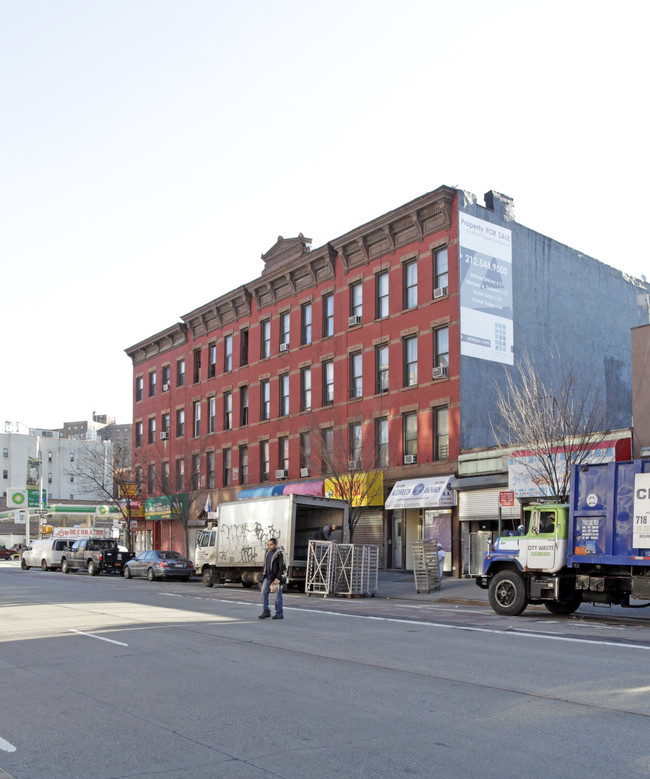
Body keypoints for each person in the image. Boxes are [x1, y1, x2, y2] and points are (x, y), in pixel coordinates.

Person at [259, 537, 286, 620]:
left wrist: (278, 578)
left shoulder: (280, 553)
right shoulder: (267, 552)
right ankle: (266, 611)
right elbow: (265, 564)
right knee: (263, 592)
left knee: (278, 596)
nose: (269, 546)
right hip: (268, 576)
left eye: (271, 545)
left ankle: (279, 613)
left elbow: (283, 567)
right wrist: (263, 575)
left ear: (276, 544)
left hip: (277, 578)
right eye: (269, 545)